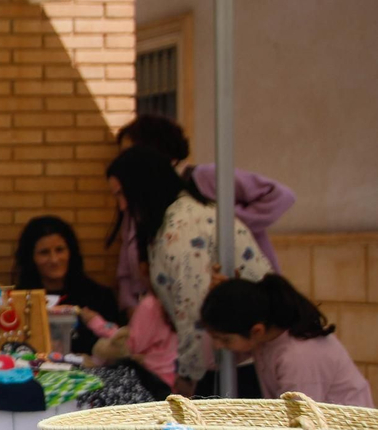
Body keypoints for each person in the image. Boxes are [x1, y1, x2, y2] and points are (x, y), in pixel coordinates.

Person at [106, 146, 271, 395]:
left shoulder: (179, 230)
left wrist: (186, 380)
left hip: (233, 365)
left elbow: (194, 311)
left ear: (141, 187)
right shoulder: (187, 215)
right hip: (235, 359)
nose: (122, 207)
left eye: (121, 194)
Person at [114, 114, 294, 310]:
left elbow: (280, 196)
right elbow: (127, 262)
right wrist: (132, 306)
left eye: (130, 153)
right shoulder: (138, 200)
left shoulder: (206, 177)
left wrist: (226, 224)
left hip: (239, 300)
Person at [201, 275, 374, 407]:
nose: (218, 345)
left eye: (224, 339)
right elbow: (212, 362)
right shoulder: (266, 337)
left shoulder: (299, 356)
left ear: (257, 331)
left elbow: (299, 420)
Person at [12, 215, 120, 353]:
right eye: (44, 252)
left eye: (60, 250)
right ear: (31, 258)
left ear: (71, 252)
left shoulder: (100, 297)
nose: (54, 260)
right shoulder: (20, 302)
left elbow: (117, 347)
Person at [77, 258, 177, 403]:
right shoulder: (174, 300)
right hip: (171, 380)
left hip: (153, 383)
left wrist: (95, 322)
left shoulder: (150, 304)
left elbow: (128, 345)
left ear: (143, 269)